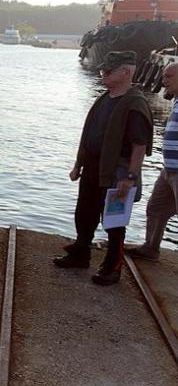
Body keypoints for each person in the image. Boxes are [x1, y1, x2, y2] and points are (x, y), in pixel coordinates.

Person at [53, 51, 153, 285]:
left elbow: (139, 146)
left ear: (126, 72)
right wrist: (79, 164)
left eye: (108, 71)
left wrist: (130, 177)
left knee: (114, 221)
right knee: (85, 211)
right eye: (102, 70)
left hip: (117, 173)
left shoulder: (134, 105)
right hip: (93, 168)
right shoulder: (104, 98)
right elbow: (90, 134)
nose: (103, 74)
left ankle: (112, 266)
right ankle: (80, 252)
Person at [127, 62, 178, 261]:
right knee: (156, 208)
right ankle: (150, 248)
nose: (163, 81)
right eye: (164, 76)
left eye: (169, 77)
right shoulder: (175, 100)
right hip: (169, 170)